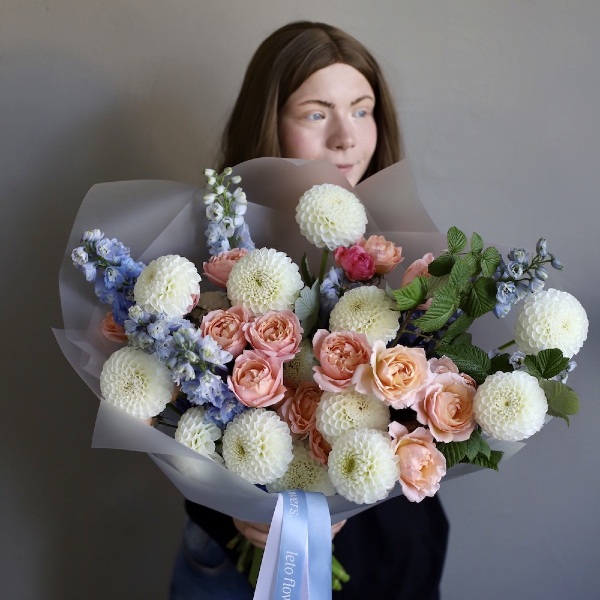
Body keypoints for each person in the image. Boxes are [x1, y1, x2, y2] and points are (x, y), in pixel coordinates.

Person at [170, 21, 449, 600]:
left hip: (388, 553)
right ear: (269, 121)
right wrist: (236, 511)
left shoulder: (406, 258)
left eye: (363, 109)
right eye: (317, 113)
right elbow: (178, 414)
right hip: (234, 563)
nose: (347, 137)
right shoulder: (212, 256)